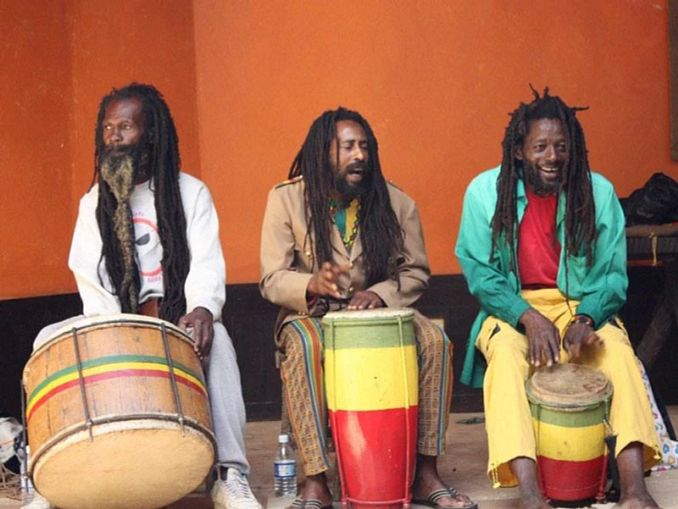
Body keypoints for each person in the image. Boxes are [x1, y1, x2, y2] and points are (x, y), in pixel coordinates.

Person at [23, 83, 261, 509]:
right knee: (46, 339)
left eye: (125, 127)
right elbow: (90, 280)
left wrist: (202, 309)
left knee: (220, 341)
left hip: (176, 327)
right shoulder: (94, 203)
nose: (112, 136)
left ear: (150, 135)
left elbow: (206, 263)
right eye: (108, 127)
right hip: (115, 326)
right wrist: (116, 332)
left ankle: (230, 475)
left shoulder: (190, 193)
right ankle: (51, 479)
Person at [260, 107, 476, 509]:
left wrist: (379, 293)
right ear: (323, 153)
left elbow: (416, 271)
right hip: (314, 314)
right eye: (347, 147)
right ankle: (315, 479)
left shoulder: (396, 201)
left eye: (365, 146)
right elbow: (272, 277)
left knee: (434, 340)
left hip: (380, 314)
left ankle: (425, 473)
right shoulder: (287, 199)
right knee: (306, 348)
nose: (359, 155)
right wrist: (310, 283)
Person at [455, 87, 661, 509]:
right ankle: (531, 496)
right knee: (509, 363)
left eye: (561, 147)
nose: (553, 157)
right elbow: (480, 273)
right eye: (541, 147)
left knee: (620, 356)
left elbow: (612, 276)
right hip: (512, 309)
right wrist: (527, 317)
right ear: (517, 150)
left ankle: (635, 491)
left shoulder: (597, 193)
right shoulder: (482, 193)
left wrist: (586, 319)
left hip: (581, 306)